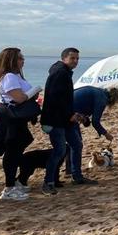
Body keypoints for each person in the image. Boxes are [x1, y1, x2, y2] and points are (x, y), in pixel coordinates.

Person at [40, 48, 95, 194]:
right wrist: (68, 115)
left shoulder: (64, 72)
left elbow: (64, 98)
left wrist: (72, 114)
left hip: (66, 118)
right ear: (64, 58)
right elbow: (53, 98)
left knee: (76, 144)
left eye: (77, 58)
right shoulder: (60, 73)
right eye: (72, 58)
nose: (76, 61)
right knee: (59, 150)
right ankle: (48, 182)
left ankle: (76, 176)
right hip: (56, 119)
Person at [0, 48, 40, 200]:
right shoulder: (9, 77)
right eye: (20, 58)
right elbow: (19, 98)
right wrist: (32, 92)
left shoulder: (14, 76)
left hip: (14, 117)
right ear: (11, 60)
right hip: (10, 118)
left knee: (20, 144)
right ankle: (9, 188)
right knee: (12, 151)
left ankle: (13, 183)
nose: (23, 60)